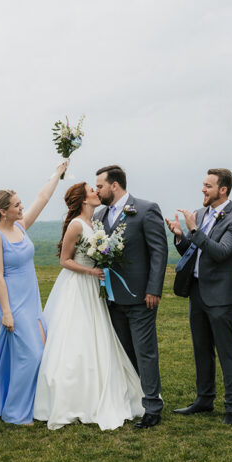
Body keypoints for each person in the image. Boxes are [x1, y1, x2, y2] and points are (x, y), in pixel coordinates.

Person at [34, 182, 145, 430]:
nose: (97, 193)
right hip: (77, 286)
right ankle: (74, 395)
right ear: (84, 200)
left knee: (99, 336)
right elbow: (64, 261)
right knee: (76, 337)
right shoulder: (76, 224)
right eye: (92, 191)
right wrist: (91, 271)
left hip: (94, 287)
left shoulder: (95, 223)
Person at [0, 161, 68, 425]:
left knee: (31, 352)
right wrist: (6, 312)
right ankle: (15, 413)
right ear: (3, 211)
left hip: (31, 300)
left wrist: (56, 174)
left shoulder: (20, 227)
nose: (22, 207)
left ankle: (18, 402)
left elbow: (42, 198)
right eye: (17, 205)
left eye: (21, 204)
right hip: (13, 303)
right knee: (31, 355)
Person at [166, 168, 232, 425]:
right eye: (203, 184)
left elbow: (221, 252)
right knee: (201, 349)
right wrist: (181, 236)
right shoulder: (200, 213)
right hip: (198, 290)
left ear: (222, 190)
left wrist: (194, 230)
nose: (203, 189)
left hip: (222, 294)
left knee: (227, 352)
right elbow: (193, 252)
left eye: (208, 185)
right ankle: (204, 399)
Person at [92, 165, 168, 430]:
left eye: (100, 186)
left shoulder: (146, 209)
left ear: (115, 185)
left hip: (140, 297)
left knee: (145, 352)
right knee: (124, 352)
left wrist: (154, 289)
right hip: (111, 298)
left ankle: (153, 407)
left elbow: (159, 252)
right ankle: (134, 400)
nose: (96, 190)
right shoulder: (100, 215)